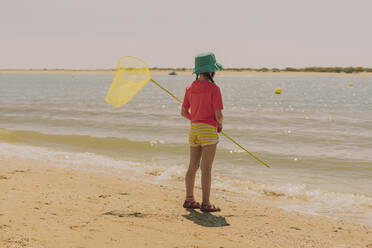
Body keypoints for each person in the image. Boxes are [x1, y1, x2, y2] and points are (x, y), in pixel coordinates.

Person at [181, 52, 223, 212]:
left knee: (193, 166)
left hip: (194, 129)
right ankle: (206, 203)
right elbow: (218, 115)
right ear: (211, 71)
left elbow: (184, 113)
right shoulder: (214, 89)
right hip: (208, 130)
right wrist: (219, 125)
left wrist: (196, 118)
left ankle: (189, 199)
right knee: (206, 168)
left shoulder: (189, 87)